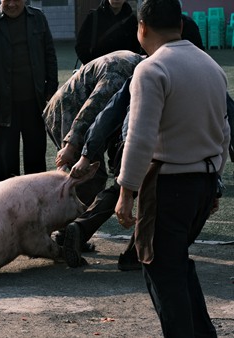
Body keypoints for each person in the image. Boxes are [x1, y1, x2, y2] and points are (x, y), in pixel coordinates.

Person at [115, 0, 229, 336]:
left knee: (161, 269)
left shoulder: (151, 69)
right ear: (180, 24)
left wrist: (126, 192)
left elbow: (140, 137)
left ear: (142, 28)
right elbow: (224, 133)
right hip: (203, 182)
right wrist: (215, 180)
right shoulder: (211, 66)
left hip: (167, 186)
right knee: (175, 262)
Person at [63, 12, 210, 270]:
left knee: (127, 190)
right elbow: (224, 121)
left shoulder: (145, 70)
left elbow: (108, 116)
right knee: (147, 198)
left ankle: (82, 227)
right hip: (164, 156)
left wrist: (87, 154)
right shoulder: (205, 74)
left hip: (135, 148)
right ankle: (135, 254)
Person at [0, 0, 58, 183]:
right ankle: (5, 207)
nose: (12, 4)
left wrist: (51, 90)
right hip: (1, 105)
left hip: (34, 103)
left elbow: (49, 54)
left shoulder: (38, 18)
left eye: (16, 0)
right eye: (7, 0)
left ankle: (36, 205)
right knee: (5, 164)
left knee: (36, 162)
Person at [44, 50, 143, 206]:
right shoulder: (120, 73)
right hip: (70, 112)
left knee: (91, 175)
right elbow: (91, 110)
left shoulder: (135, 64)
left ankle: (74, 218)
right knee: (87, 176)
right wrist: (71, 146)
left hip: (77, 112)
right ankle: (67, 221)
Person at [75, 0, 140, 65]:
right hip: (97, 69)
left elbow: (136, 49)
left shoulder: (132, 21)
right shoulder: (94, 17)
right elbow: (81, 46)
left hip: (124, 70)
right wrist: (92, 66)